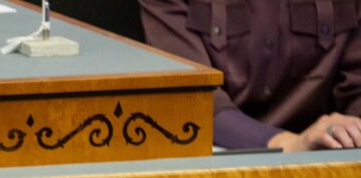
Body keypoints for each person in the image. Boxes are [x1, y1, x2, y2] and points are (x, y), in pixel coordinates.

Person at [139, 0, 361, 151]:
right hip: (213, 166)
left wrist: (350, 132)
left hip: (330, 161)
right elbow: (191, 99)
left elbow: (356, 85)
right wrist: (290, 144)